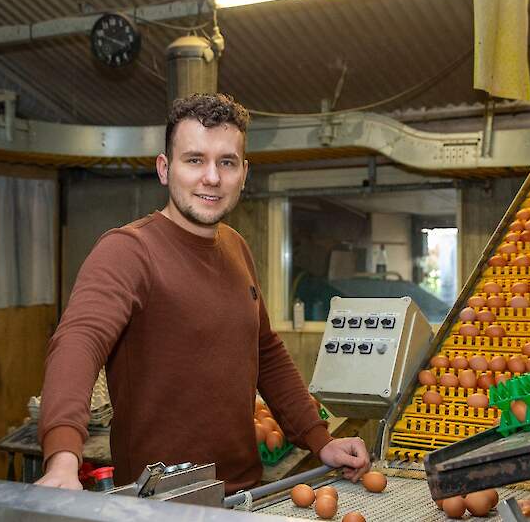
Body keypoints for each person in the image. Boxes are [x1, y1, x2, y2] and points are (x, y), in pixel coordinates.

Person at [35, 93, 370, 494]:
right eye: (194, 160)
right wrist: (62, 458)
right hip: (158, 502)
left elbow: (266, 351)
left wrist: (321, 439)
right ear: (164, 168)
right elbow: (78, 342)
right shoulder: (127, 250)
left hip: (245, 494)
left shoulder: (237, 248)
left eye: (226, 162)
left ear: (243, 173)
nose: (212, 177)